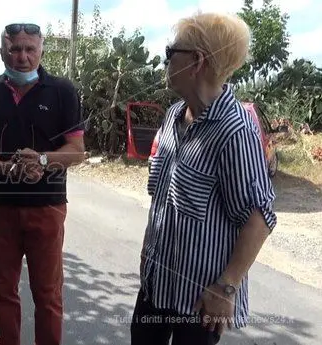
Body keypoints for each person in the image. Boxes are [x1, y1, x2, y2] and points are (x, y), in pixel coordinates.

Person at [132, 11, 277, 345]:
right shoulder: (172, 116)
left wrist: (227, 287)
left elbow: (260, 216)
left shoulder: (234, 129)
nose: (165, 61)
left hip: (200, 302)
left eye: (171, 54)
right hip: (156, 284)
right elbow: (161, 198)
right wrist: (145, 252)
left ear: (195, 61)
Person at [0, 23, 86, 345]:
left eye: (30, 49)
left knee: (48, 292)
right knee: (2, 288)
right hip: (0, 206)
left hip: (47, 207)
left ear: (42, 50)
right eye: (15, 49)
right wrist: (3, 169)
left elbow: (77, 150)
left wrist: (42, 161)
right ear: (3, 51)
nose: (23, 57)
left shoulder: (62, 91)